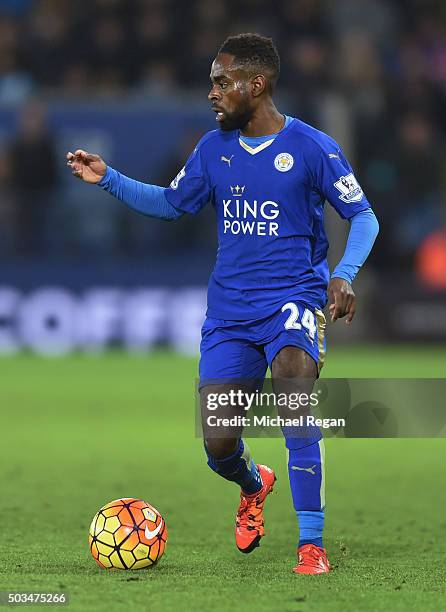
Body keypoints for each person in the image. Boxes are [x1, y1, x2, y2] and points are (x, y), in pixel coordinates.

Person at [67, 33, 379, 575]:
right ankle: (254, 483)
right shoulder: (213, 150)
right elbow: (170, 204)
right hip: (230, 315)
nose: (211, 93)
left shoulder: (312, 147)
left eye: (221, 81)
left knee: (293, 392)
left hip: (293, 301)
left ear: (255, 85)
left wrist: (343, 275)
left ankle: (312, 545)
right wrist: (108, 178)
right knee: (218, 443)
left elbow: (364, 217)